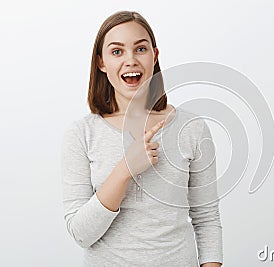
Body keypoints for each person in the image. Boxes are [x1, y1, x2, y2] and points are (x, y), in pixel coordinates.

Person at [61, 11, 223, 267]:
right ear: (101, 63)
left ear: (154, 56)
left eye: (140, 49)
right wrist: (125, 169)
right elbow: (82, 234)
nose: (131, 60)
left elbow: (206, 218)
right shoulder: (82, 134)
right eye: (117, 52)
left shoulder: (192, 128)